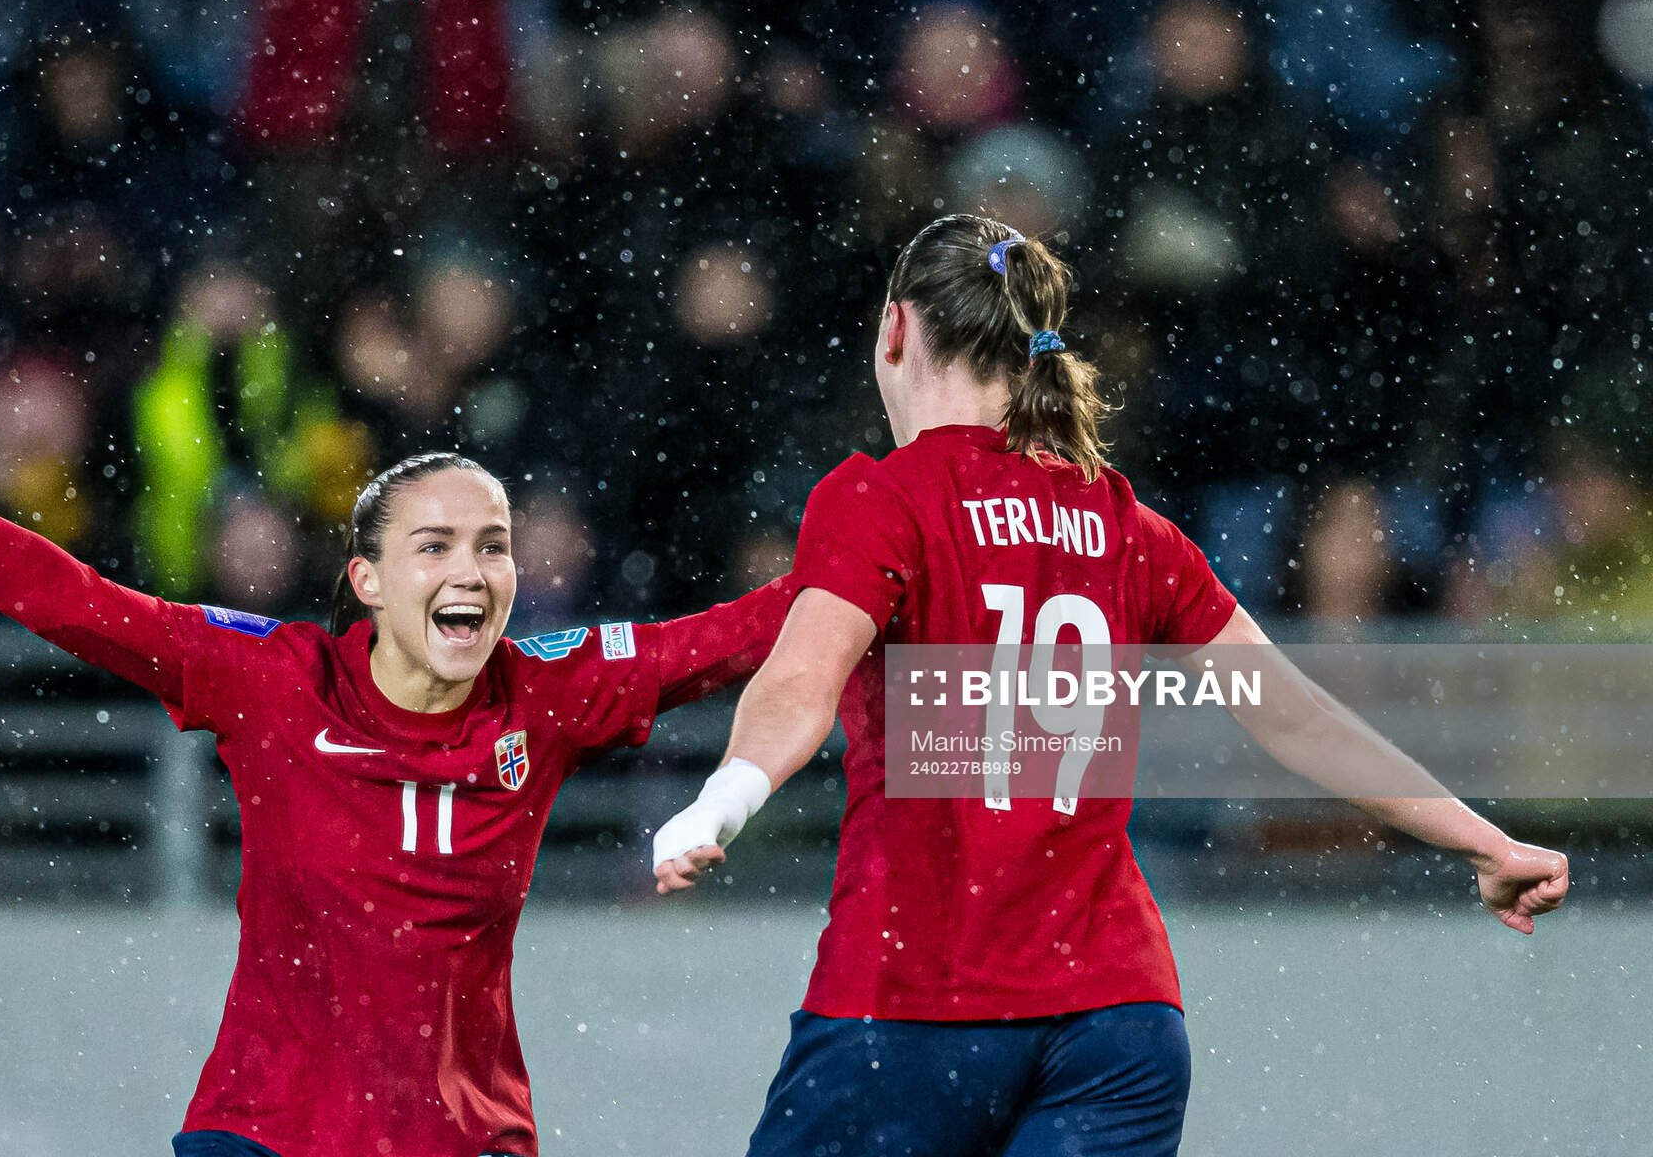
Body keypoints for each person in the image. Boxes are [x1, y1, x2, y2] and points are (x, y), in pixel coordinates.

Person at [648, 214, 1569, 1156]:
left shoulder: (881, 499)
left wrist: (722, 801)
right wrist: (1485, 840)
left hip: (913, 1002)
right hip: (1117, 1022)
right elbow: (1293, 715)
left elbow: (801, 678)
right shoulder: (1129, 526)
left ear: (894, 330)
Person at [0, 384, 794, 1157]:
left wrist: (908, 537)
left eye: (493, 546)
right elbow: (64, 594)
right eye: (434, 546)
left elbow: (746, 631)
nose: (472, 570)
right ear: (369, 581)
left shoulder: (549, 692)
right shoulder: (275, 679)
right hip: (265, 1131)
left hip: (465, 1135)